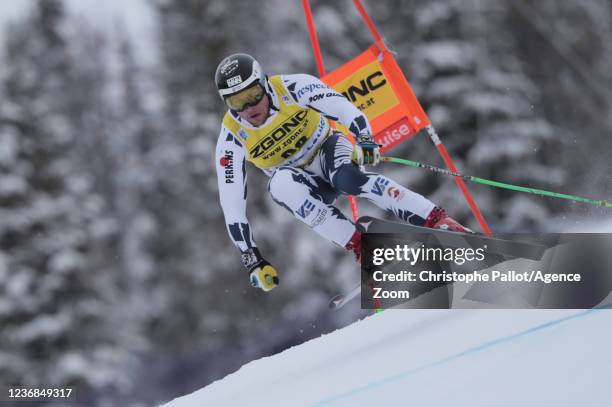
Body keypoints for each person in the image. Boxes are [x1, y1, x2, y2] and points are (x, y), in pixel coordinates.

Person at [214, 53, 472, 292]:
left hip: (327, 149)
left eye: (253, 94)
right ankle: (363, 247)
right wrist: (253, 260)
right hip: (302, 180)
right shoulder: (231, 137)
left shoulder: (291, 88)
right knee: (279, 186)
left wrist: (365, 139)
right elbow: (232, 204)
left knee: (348, 179)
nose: (249, 108)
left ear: (264, 83)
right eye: (237, 102)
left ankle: (437, 220)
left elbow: (346, 110)